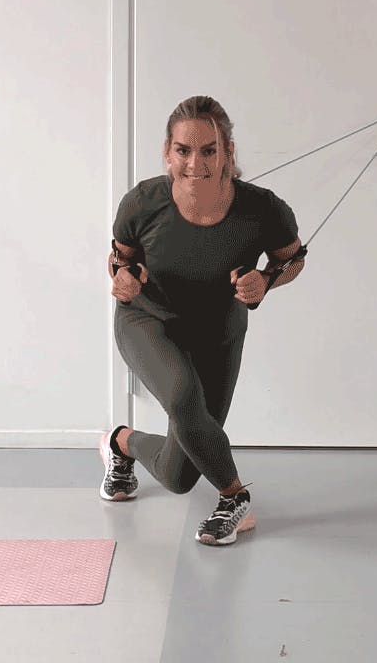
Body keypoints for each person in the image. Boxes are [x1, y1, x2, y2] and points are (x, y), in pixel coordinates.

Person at [102, 95, 306, 546]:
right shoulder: (142, 203)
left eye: (209, 150)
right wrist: (122, 279)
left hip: (218, 332)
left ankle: (121, 443)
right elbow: (119, 260)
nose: (196, 163)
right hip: (148, 321)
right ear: (167, 152)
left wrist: (266, 280)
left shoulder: (264, 209)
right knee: (182, 396)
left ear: (228, 152)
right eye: (183, 150)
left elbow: (292, 259)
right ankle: (235, 498)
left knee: (179, 475)